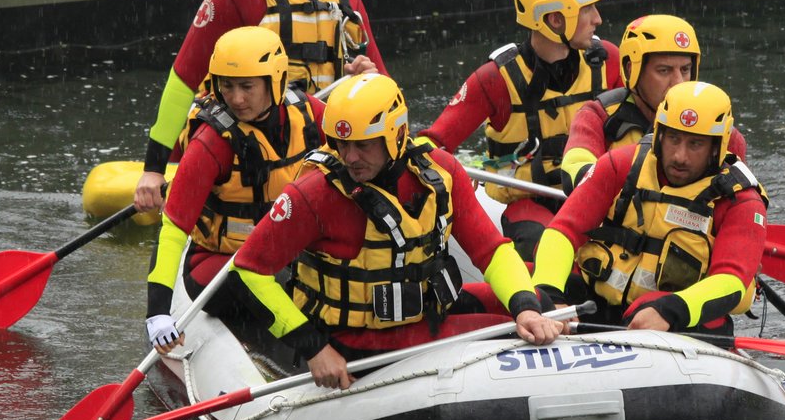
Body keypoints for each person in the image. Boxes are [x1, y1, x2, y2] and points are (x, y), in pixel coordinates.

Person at [232, 73, 565, 389]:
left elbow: (490, 250)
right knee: (510, 335)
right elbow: (248, 270)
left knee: (538, 303)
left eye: (363, 145)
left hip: (427, 314)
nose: (349, 157)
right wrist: (314, 349)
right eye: (340, 143)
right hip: (358, 340)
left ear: (396, 134)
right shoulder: (313, 194)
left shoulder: (440, 171)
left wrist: (525, 307)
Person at [134, 0, 387, 214]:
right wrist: (153, 169)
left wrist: (368, 81)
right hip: (245, 156)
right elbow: (183, 81)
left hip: (318, 148)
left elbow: (387, 93)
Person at [419, 0, 623, 256]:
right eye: (588, 9)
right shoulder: (495, 79)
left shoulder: (608, 61)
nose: (598, 19)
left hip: (596, 193)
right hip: (530, 203)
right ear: (556, 18)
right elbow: (432, 142)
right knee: (539, 248)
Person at [531, 81, 768, 334]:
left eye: (695, 144)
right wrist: (549, 296)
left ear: (717, 147)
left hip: (678, 319)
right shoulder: (620, 165)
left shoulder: (741, 201)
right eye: (673, 139)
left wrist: (670, 310)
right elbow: (563, 230)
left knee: (648, 307)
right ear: (659, 134)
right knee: (520, 289)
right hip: (595, 304)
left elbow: (731, 280)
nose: (680, 156)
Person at [144, 27, 326, 354]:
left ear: (276, 80)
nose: (236, 99)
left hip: (286, 255)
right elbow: (173, 229)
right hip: (220, 265)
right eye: (226, 86)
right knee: (258, 281)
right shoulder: (212, 142)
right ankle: (306, 350)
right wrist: (157, 312)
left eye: (247, 86)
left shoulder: (309, 115)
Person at [558, 14, 747, 192]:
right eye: (664, 71)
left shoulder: (720, 129)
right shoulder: (597, 116)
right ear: (633, 70)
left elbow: (741, 197)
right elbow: (573, 171)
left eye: (685, 70)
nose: (678, 82)